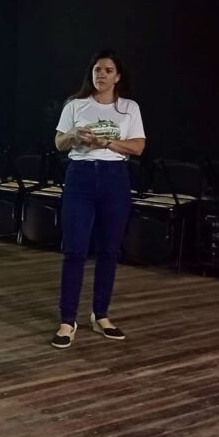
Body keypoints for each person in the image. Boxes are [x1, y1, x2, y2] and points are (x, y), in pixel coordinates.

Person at [51, 50, 146, 349]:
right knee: (75, 250)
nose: (101, 75)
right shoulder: (75, 104)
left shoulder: (129, 108)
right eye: (96, 70)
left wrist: (105, 142)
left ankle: (101, 315)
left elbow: (138, 147)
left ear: (117, 76)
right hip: (80, 175)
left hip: (115, 177)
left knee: (109, 250)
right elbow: (59, 143)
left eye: (107, 70)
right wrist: (74, 136)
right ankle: (67, 320)